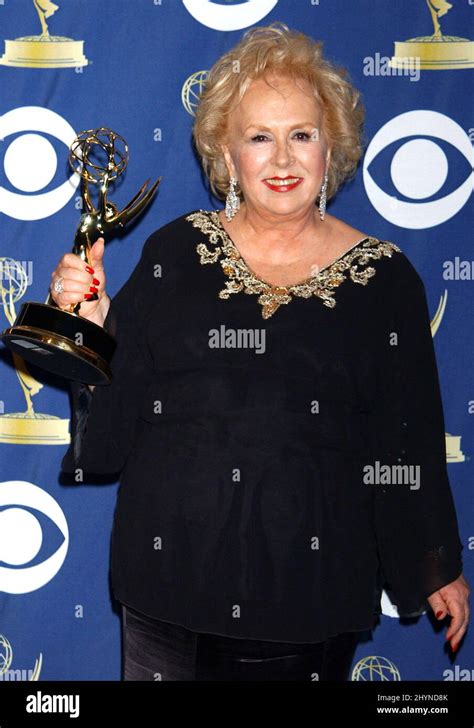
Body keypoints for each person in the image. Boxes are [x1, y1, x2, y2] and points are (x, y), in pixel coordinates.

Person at [53, 23, 469, 681]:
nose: (282, 160)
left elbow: (404, 442)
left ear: (330, 146)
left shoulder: (386, 280)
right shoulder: (175, 252)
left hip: (303, 604)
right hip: (163, 591)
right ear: (226, 151)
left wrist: (433, 562)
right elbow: (109, 434)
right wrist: (92, 323)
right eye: (259, 137)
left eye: (301, 134)